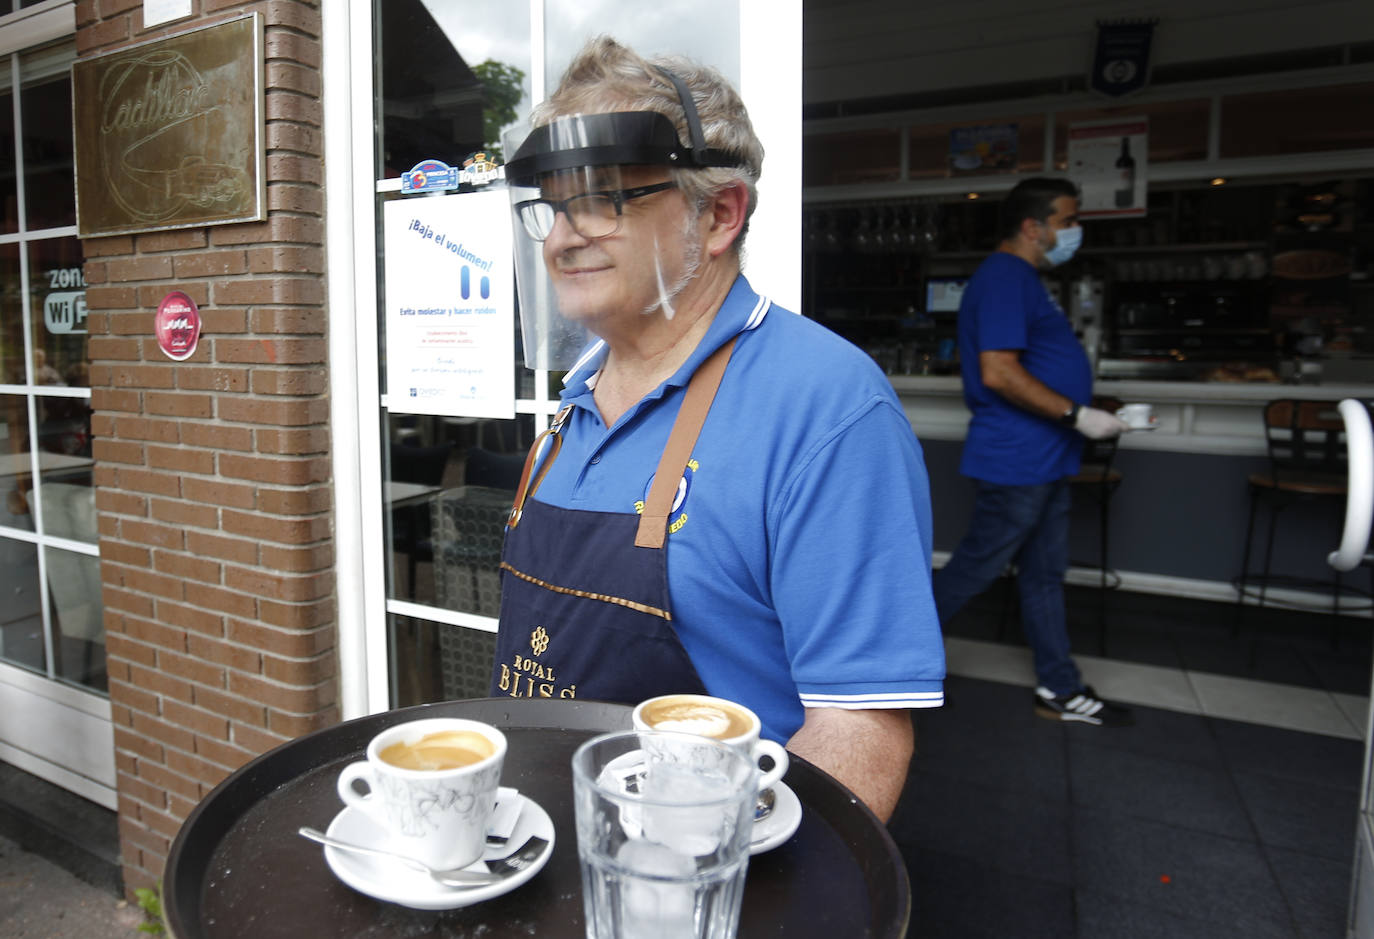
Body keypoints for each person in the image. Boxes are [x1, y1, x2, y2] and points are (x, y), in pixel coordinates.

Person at [488, 36, 944, 820]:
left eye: (600, 198)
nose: (561, 239)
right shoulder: (572, 404)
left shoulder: (826, 407)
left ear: (720, 214)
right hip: (534, 848)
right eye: (553, 207)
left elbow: (860, 725)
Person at [933, 177, 1133, 727]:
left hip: (1045, 457)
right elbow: (999, 371)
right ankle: (876, 667)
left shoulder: (1024, 279)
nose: (1074, 231)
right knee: (975, 569)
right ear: (1033, 226)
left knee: (1044, 574)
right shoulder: (1003, 277)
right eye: (1068, 220)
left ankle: (1059, 688)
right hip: (1018, 458)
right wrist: (1077, 414)